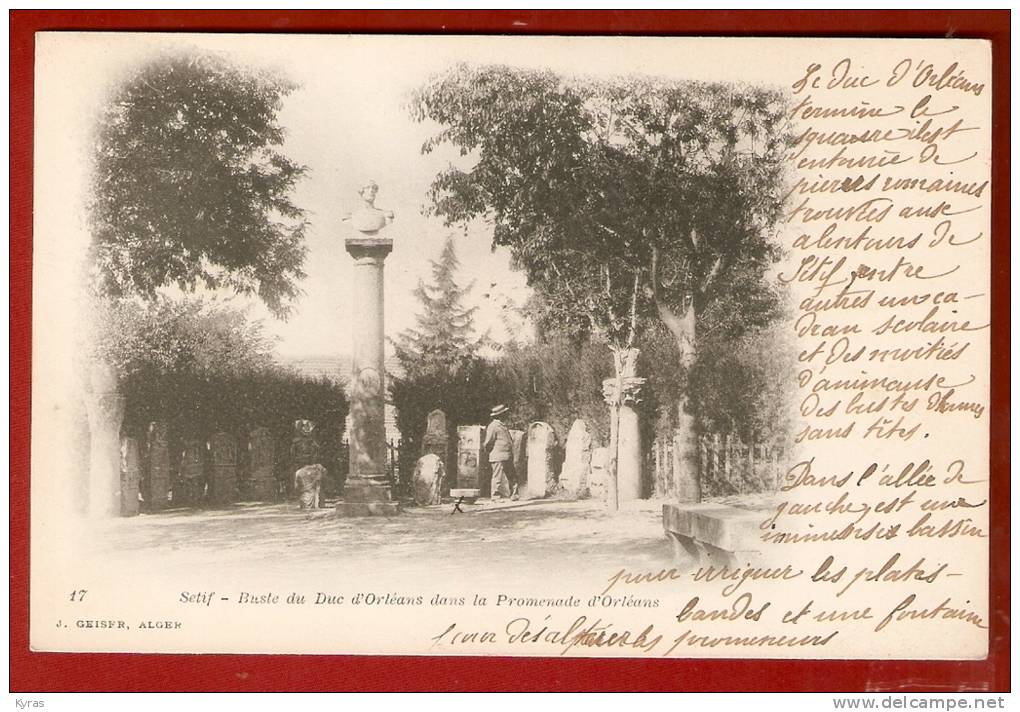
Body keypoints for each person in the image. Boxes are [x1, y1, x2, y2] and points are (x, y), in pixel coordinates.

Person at [484, 404, 518, 501]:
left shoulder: (503, 425)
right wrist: (490, 451)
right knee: (497, 477)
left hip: (507, 455)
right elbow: (488, 442)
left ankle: (514, 494)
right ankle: (495, 496)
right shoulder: (493, 426)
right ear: (499, 415)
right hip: (497, 455)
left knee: (512, 475)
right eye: (504, 413)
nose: (506, 415)